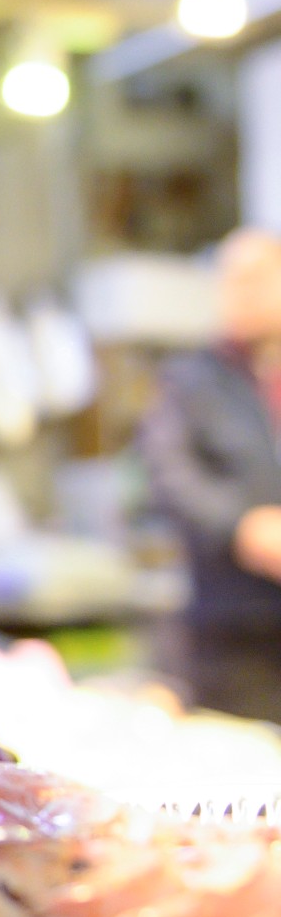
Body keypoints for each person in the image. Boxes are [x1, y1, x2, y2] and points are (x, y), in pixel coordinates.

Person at [140, 228, 281, 719]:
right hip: (231, 623)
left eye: (257, 278)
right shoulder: (191, 380)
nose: (243, 291)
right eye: (231, 280)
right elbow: (169, 476)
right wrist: (243, 526)